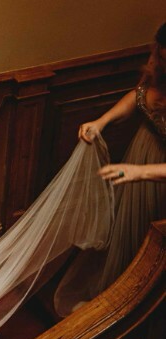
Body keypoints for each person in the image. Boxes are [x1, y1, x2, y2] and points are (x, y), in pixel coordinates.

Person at [54, 23, 166, 314]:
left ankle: (135, 309)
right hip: (138, 157)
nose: (157, 61)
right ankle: (116, 295)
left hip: (157, 175)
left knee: (148, 243)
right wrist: (101, 121)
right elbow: (138, 97)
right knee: (126, 231)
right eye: (159, 54)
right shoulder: (158, 70)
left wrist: (140, 173)